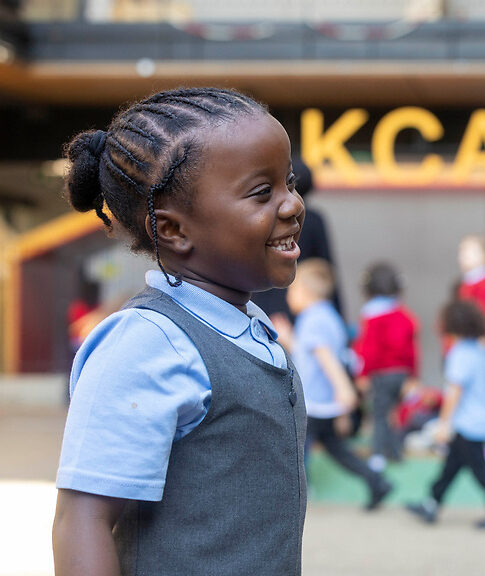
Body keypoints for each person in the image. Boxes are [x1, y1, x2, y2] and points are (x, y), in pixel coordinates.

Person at [51, 88, 308, 575]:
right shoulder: (148, 343)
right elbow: (80, 520)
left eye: (289, 182)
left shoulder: (249, 327)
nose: (293, 204)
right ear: (173, 230)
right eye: (262, 192)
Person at [406, 299, 485, 529]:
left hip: (468, 425)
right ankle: (432, 503)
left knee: (479, 470)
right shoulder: (481, 351)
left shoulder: (460, 354)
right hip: (480, 422)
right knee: (451, 466)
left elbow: (454, 392)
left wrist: (444, 424)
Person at [280, 258, 392, 510]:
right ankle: (375, 481)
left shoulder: (311, 320)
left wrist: (344, 390)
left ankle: (292, 496)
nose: (288, 296)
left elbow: (325, 358)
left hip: (315, 401)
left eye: (291, 289)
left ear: (305, 292)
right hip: (325, 401)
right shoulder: (329, 317)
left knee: (295, 448)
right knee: (335, 449)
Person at [253, 156, 346, 320]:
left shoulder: (263, 215)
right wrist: (338, 313)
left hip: (269, 303)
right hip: (304, 302)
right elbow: (325, 264)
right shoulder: (315, 219)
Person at [352, 261, 419, 471]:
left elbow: (369, 349)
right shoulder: (405, 316)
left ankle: (378, 455)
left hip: (381, 373)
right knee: (392, 413)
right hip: (401, 373)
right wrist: (412, 375)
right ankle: (395, 452)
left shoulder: (372, 315)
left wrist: (362, 373)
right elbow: (412, 350)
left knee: (380, 414)